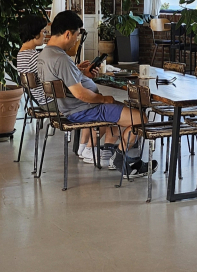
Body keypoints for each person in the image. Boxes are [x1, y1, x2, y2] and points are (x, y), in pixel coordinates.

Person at [38, 10, 142, 165]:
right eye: (76, 35)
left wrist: (83, 75)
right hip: (84, 109)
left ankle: (108, 153)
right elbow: (80, 94)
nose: (76, 40)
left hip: (73, 108)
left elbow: (67, 81)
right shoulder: (61, 58)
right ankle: (120, 161)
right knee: (140, 119)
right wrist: (103, 99)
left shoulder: (45, 55)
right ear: (67, 34)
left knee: (123, 111)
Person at [15, 13, 48, 105]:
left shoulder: (21, 54)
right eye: (43, 32)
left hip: (40, 100)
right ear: (35, 34)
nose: (44, 35)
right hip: (50, 101)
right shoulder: (34, 56)